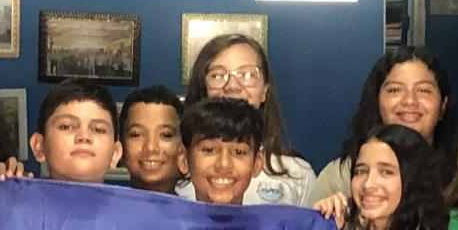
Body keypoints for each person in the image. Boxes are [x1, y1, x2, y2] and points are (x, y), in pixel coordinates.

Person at [186, 32, 318, 206]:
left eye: (247, 74)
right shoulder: (177, 172)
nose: (232, 86)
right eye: (218, 75)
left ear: (265, 91)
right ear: (202, 89)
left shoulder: (297, 174)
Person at [309, 49, 453, 207]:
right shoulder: (340, 177)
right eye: (395, 90)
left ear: (443, 106)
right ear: (376, 101)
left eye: (424, 90)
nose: (410, 101)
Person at [180, 93, 265, 207]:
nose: (224, 165)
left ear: (257, 164)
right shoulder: (161, 224)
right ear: (184, 159)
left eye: (238, 152)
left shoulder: (277, 225)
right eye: (209, 150)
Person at [30, 80, 120, 185]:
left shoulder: (136, 201)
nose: (84, 137)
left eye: (99, 129)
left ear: (115, 153)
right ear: (39, 146)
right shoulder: (12, 198)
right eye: (66, 126)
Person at [119, 86, 186, 194]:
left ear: (184, 151)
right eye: (136, 134)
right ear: (120, 147)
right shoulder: (104, 210)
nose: (151, 147)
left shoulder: (197, 210)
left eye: (166, 135)